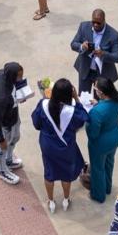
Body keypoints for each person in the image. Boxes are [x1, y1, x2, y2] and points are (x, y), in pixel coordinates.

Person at [33, 78, 88, 212]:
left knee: (49, 171)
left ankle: (51, 201)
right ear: (69, 94)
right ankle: (65, 199)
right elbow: (84, 118)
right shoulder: (72, 112)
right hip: (66, 147)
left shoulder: (43, 105)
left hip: (48, 145)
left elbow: (36, 123)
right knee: (65, 173)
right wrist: (77, 98)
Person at [0, 61, 31, 186]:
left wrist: (18, 98)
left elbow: (13, 91)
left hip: (13, 115)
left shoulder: (1, 73)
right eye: (18, 76)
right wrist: (0, 139)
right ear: (12, 76)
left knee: (15, 138)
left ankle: (8, 160)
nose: (21, 79)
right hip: (5, 124)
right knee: (2, 148)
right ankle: (2, 171)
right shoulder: (1, 98)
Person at [85, 77, 118, 203]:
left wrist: (88, 120)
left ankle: (98, 195)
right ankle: (107, 187)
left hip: (101, 143)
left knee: (97, 168)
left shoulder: (96, 112)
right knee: (109, 162)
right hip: (116, 136)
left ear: (101, 92)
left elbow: (93, 134)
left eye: (95, 88)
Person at [71, 8, 118, 93]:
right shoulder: (84, 27)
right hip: (85, 70)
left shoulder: (114, 35)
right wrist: (81, 46)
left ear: (104, 21)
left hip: (102, 74)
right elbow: (73, 44)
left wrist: (103, 54)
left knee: (99, 102)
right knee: (83, 98)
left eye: (98, 23)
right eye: (93, 22)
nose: (95, 25)